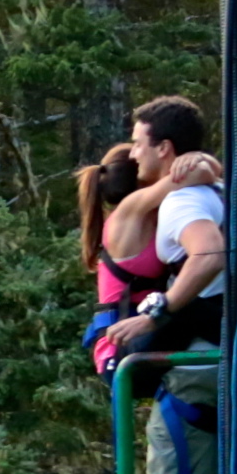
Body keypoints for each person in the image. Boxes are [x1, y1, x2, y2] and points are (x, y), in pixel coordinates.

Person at [100, 96, 228, 474]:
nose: (133, 153)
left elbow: (208, 252)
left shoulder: (180, 205)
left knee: (174, 469)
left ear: (164, 148)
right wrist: (207, 169)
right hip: (215, 346)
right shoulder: (189, 198)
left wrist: (159, 312)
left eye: (139, 141)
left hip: (187, 353)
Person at [78, 143, 166, 373]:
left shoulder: (143, 217)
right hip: (120, 350)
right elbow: (189, 176)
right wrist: (195, 158)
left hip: (134, 337)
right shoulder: (129, 212)